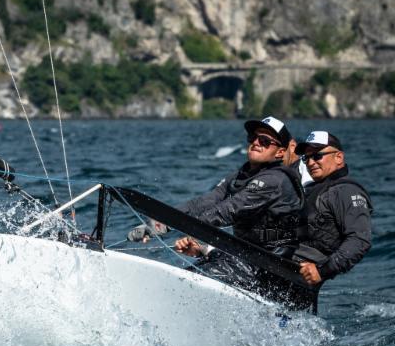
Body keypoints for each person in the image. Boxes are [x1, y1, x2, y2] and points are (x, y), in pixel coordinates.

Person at [130, 116, 309, 307]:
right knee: (185, 278)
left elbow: (227, 211)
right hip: (243, 257)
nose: (256, 143)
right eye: (253, 138)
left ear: (280, 152)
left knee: (185, 286)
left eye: (265, 141)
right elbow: (205, 202)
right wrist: (157, 223)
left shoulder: (275, 180)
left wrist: (180, 227)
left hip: (269, 270)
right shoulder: (241, 175)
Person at [294, 131, 372, 287]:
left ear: (339, 157)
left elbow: (360, 240)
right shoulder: (313, 190)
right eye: (306, 158)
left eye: (317, 156)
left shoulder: (346, 191)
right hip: (284, 263)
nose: (310, 163)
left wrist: (322, 271)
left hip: (299, 275)